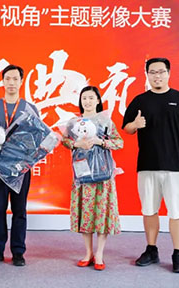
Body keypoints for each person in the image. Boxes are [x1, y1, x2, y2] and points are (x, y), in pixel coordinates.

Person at [122, 58, 179, 273]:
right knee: (149, 210)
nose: (157, 76)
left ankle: (178, 253)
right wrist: (135, 124)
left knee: (176, 211)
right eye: (152, 72)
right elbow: (127, 128)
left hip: (175, 166)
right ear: (147, 74)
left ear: (168, 73)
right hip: (147, 165)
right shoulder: (140, 100)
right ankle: (151, 249)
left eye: (161, 72)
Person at [0, 64, 39, 267]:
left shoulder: (30, 109)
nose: (11, 82)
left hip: (21, 169)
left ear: (21, 82)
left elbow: (36, 138)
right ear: (2, 81)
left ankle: (18, 251)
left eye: (15, 79)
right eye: (8, 78)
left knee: (19, 209)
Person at [62, 86, 123, 271]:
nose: (87, 101)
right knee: (86, 212)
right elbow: (65, 141)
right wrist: (76, 144)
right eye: (84, 98)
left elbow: (119, 142)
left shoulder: (105, 121)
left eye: (91, 98)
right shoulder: (74, 122)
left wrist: (100, 142)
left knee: (102, 212)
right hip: (82, 172)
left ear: (97, 100)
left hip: (103, 173)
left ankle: (100, 254)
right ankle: (88, 253)